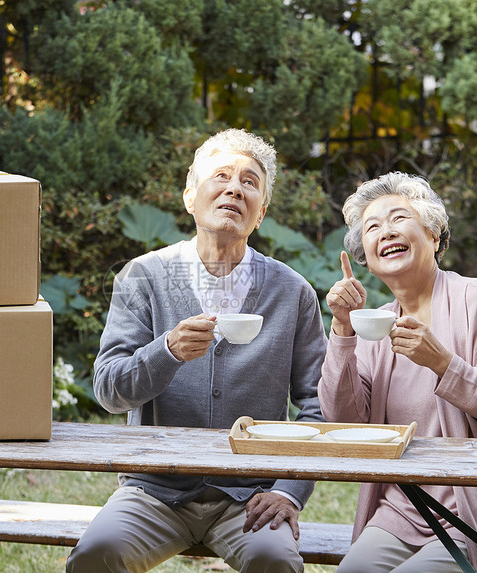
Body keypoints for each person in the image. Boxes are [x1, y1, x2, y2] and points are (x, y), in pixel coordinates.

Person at [66, 129, 328, 573]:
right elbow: (110, 391)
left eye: (249, 182)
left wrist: (288, 490)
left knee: (276, 562)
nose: (234, 188)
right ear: (190, 195)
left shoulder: (292, 292)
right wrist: (166, 351)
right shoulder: (144, 277)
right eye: (221, 175)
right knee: (95, 555)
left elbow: (318, 404)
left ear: (261, 211)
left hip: (250, 497)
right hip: (154, 490)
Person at [318, 171, 477, 573]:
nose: (385, 231)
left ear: (433, 235)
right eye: (372, 227)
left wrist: (443, 363)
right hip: (402, 511)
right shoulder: (376, 324)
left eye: (399, 218)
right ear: (367, 259)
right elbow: (344, 422)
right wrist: (342, 329)